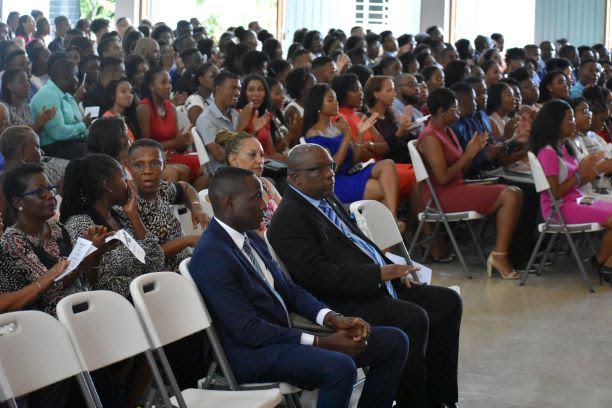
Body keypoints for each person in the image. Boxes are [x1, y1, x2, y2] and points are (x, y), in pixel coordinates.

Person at [190, 166, 409, 407]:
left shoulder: (248, 235)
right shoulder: (212, 254)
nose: (264, 205)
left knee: (394, 342)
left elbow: (290, 291)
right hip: (248, 353)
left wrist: (334, 319)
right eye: (256, 197)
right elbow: (248, 330)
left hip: (281, 336)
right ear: (230, 203)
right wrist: (321, 342)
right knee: (339, 366)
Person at [267, 144, 462, 407]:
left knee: (447, 301)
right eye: (319, 169)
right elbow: (317, 275)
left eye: (331, 166)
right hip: (342, 301)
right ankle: (414, 402)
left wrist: (391, 269)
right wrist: (378, 274)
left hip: (371, 284)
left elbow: (360, 243)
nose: (330, 174)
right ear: (295, 177)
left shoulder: (325, 197)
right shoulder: (289, 219)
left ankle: (440, 397)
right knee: (413, 317)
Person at [417, 88, 524, 278]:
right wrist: (468, 154)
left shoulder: (447, 131)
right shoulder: (431, 137)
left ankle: (501, 253)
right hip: (441, 197)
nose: (458, 112)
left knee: (516, 191)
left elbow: (461, 170)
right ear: (441, 112)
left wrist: (472, 153)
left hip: (456, 187)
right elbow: (442, 178)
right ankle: (499, 256)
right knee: (510, 196)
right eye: (454, 109)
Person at [0, 163, 110, 314]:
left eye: (50, 188)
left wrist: (95, 254)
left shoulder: (56, 227)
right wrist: (84, 257)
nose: (50, 196)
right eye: (40, 192)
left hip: (85, 306)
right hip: (52, 319)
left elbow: (87, 280)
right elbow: (50, 290)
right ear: (18, 202)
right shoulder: (13, 241)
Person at [60, 153, 165, 299]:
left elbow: (156, 262)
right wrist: (142, 288)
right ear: (107, 185)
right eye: (123, 176)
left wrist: (133, 215)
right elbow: (99, 284)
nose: (128, 182)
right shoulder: (81, 225)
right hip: (118, 303)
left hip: (146, 294)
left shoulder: (120, 215)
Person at [529, 100, 612, 275]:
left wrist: (591, 167)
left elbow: (577, 181)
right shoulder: (547, 152)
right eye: (569, 119)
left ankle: (603, 262)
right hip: (559, 209)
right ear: (555, 122)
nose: (573, 122)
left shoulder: (564, 146)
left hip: (578, 199)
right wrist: (580, 175)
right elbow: (555, 193)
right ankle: (602, 264)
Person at [302, 83, 404, 222]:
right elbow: (331, 169)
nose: (336, 103)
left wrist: (360, 135)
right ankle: (389, 228)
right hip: (336, 182)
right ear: (318, 105)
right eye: (330, 100)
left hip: (351, 173)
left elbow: (354, 160)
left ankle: (393, 218)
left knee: (388, 164)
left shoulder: (339, 127)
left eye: (336, 99)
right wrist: (347, 138)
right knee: (384, 189)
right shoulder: (314, 134)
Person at [127, 139, 208, 271]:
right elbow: (148, 255)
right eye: (139, 165)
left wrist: (196, 207)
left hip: (187, 264)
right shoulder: (127, 204)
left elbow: (185, 187)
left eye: (155, 163)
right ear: (129, 169)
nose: (147, 171)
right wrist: (187, 241)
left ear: (164, 166)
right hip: (163, 276)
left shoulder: (161, 190)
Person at [137, 67, 206, 188]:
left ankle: (191, 197)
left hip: (173, 154)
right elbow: (146, 146)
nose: (169, 86)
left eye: (170, 82)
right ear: (151, 86)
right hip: (157, 158)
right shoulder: (144, 108)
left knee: (208, 165)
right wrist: (176, 142)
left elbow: (177, 141)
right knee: (204, 168)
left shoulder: (171, 107)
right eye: (163, 82)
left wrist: (185, 140)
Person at [215, 129, 281, 233]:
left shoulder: (265, 183)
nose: (260, 161)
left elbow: (287, 214)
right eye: (252, 155)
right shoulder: (230, 194)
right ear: (233, 159)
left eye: (261, 155)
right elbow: (252, 236)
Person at [29, 58, 90, 159]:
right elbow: (58, 133)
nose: (78, 80)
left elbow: (77, 123)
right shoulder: (48, 95)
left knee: (101, 141)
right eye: (75, 75)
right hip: (52, 148)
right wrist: (83, 125)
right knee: (87, 151)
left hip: (70, 142)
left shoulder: (67, 94)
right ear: (66, 76)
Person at [195, 71, 241, 177]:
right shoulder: (206, 119)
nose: (237, 93)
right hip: (223, 173)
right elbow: (220, 156)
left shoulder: (235, 114)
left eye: (239, 88)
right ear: (218, 89)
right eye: (233, 88)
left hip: (242, 166)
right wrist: (241, 127)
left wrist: (255, 130)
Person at [236, 74, 286, 161]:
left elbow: (271, 152)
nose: (256, 94)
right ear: (244, 93)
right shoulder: (237, 113)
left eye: (260, 89)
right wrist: (254, 131)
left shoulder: (265, 115)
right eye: (251, 90)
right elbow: (238, 152)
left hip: (266, 162)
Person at [103, 77, 139, 143]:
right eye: (123, 91)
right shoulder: (108, 119)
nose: (129, 95)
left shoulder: (129, 117)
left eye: (131, 92)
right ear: (112, 95)